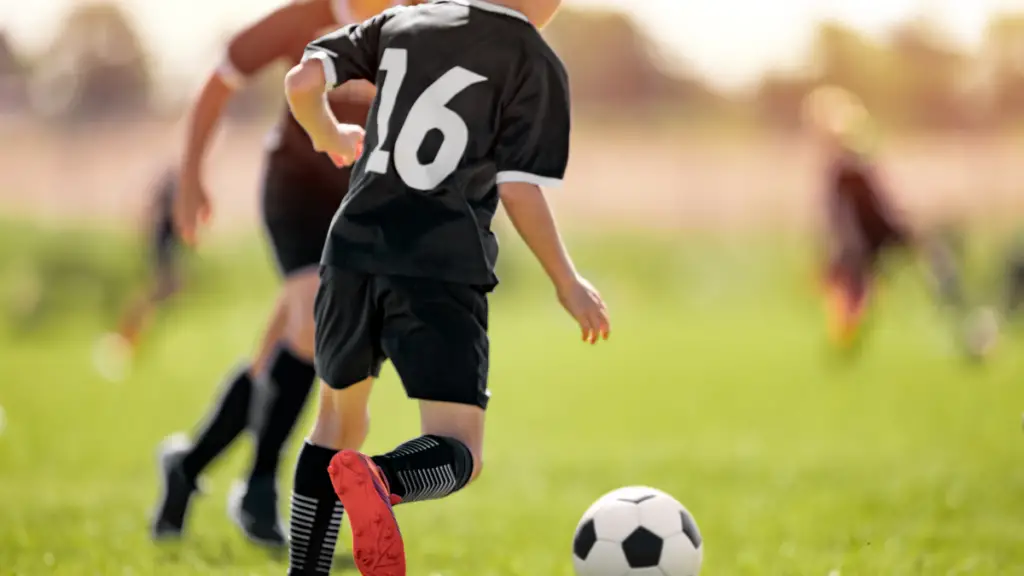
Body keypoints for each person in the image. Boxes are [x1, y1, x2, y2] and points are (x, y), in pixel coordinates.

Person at [282, 0, 610, 574]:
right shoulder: (532, 57)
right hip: (439, 262)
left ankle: (303, 570)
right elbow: (519, 189)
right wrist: (567, 281)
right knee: (460, 449)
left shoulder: (405, 20)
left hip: (351, 250)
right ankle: (384, 479)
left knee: (336, 426)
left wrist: (327, 131)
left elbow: (302, 79)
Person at [151, 0, 403, 548]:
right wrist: (192, 176)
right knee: (317, 321)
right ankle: (258, 489)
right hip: (296, 193)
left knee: (278, 355)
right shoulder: (305, 16)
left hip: (361, 203)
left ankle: (187, 466)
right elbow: (220, 81)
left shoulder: (426, 17)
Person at [803, 86, 969, 353]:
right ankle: (848, 338)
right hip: (867, 243)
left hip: (879, 237)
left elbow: (875, 210)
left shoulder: (852, 165)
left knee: (931, 265)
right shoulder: (844, 169)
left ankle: (958, 317)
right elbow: (845, 218)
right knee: (856, 296)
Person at [93, 169, 188, 381]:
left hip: (165, 244)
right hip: (162, 246)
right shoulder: (173, 185)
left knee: (158, 296)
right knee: (155, 294)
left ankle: (129, 339)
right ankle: (124, 340)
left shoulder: (173, 185)